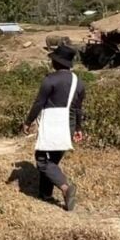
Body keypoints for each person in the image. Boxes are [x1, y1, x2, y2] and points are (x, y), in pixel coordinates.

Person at [22, 42, 84, 211]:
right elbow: (78, 108)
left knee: (42, 160)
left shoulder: (50, 80)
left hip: (52, 123)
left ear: (56, 62)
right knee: (53, 160)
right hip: (69, 125)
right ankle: (44, 193)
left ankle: (65, 188)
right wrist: (78, 129)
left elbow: (38, 103)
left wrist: (28, 122)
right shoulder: (78, 83)